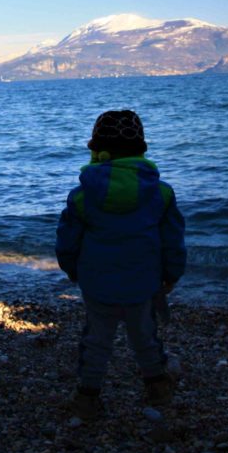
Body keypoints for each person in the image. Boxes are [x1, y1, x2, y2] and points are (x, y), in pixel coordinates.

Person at [55, 110, 187, 419]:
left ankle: (88, 397)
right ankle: (157, 386)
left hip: (97, 284)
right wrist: (171, 275)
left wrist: (72, 269)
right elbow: (173, 241)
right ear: (142, 150)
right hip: (143, 284)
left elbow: (66, 241)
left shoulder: (82, 198)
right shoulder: (162, 194)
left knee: (96, 340)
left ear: (98, 151)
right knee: (145, 336)